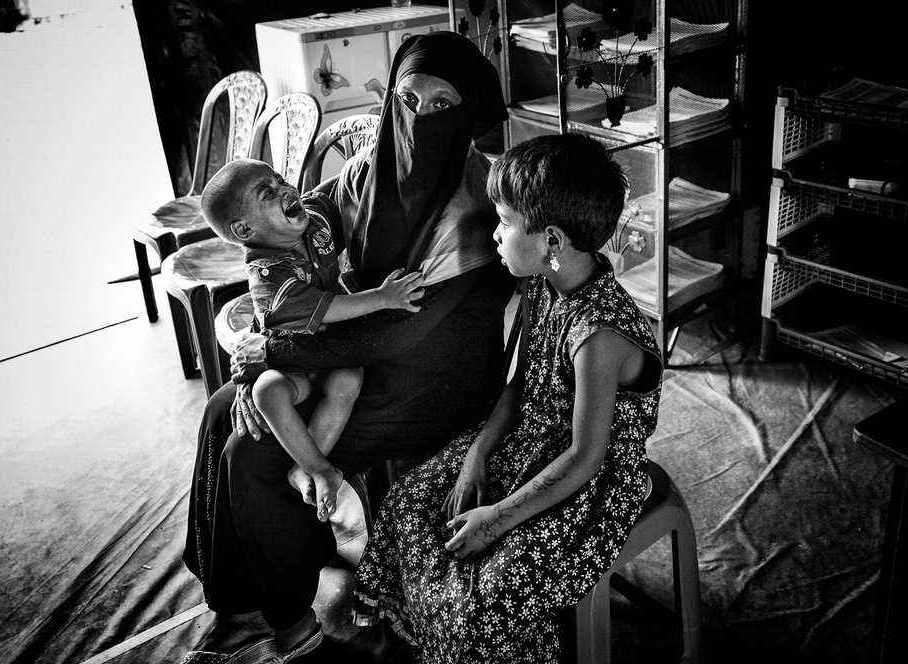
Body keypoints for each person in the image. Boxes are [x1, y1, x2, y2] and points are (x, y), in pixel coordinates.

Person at [180, 31, 515, 663]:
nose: (417, 119)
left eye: (443, 106)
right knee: (225, 406)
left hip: (429, 383)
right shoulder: (363, 171)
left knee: (253, 453)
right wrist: (264, 338)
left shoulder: (475, 205)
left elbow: (400, 329)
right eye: (406, 99)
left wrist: (272, 355)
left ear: (471, 116)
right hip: (348, 355)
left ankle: (289, 618)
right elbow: (291, 231)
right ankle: (236, 599)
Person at [352, 133, 665, 664]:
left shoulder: (600, 335)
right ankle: (427, 639)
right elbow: (524, 382)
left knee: (484, 597)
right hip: (531, 439)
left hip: (589, 480)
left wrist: (496, 517)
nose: (494, 234)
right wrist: (478, 455)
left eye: (504, 221)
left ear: (552, 240)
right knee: (409, 500)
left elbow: (587, 457)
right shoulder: (541, 283)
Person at [199, 158, 425, 523]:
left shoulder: (309, 217)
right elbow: (329, 307)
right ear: (243, 229)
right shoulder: (269, 275)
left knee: (349, 378)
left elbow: (336, 189)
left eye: (281, 180)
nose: (287, 190)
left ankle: (306, 468)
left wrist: (378, 149)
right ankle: (319, 467)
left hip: (332, 353)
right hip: (292, 363)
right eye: (268, 193)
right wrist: (384, 297)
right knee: (266, 392)